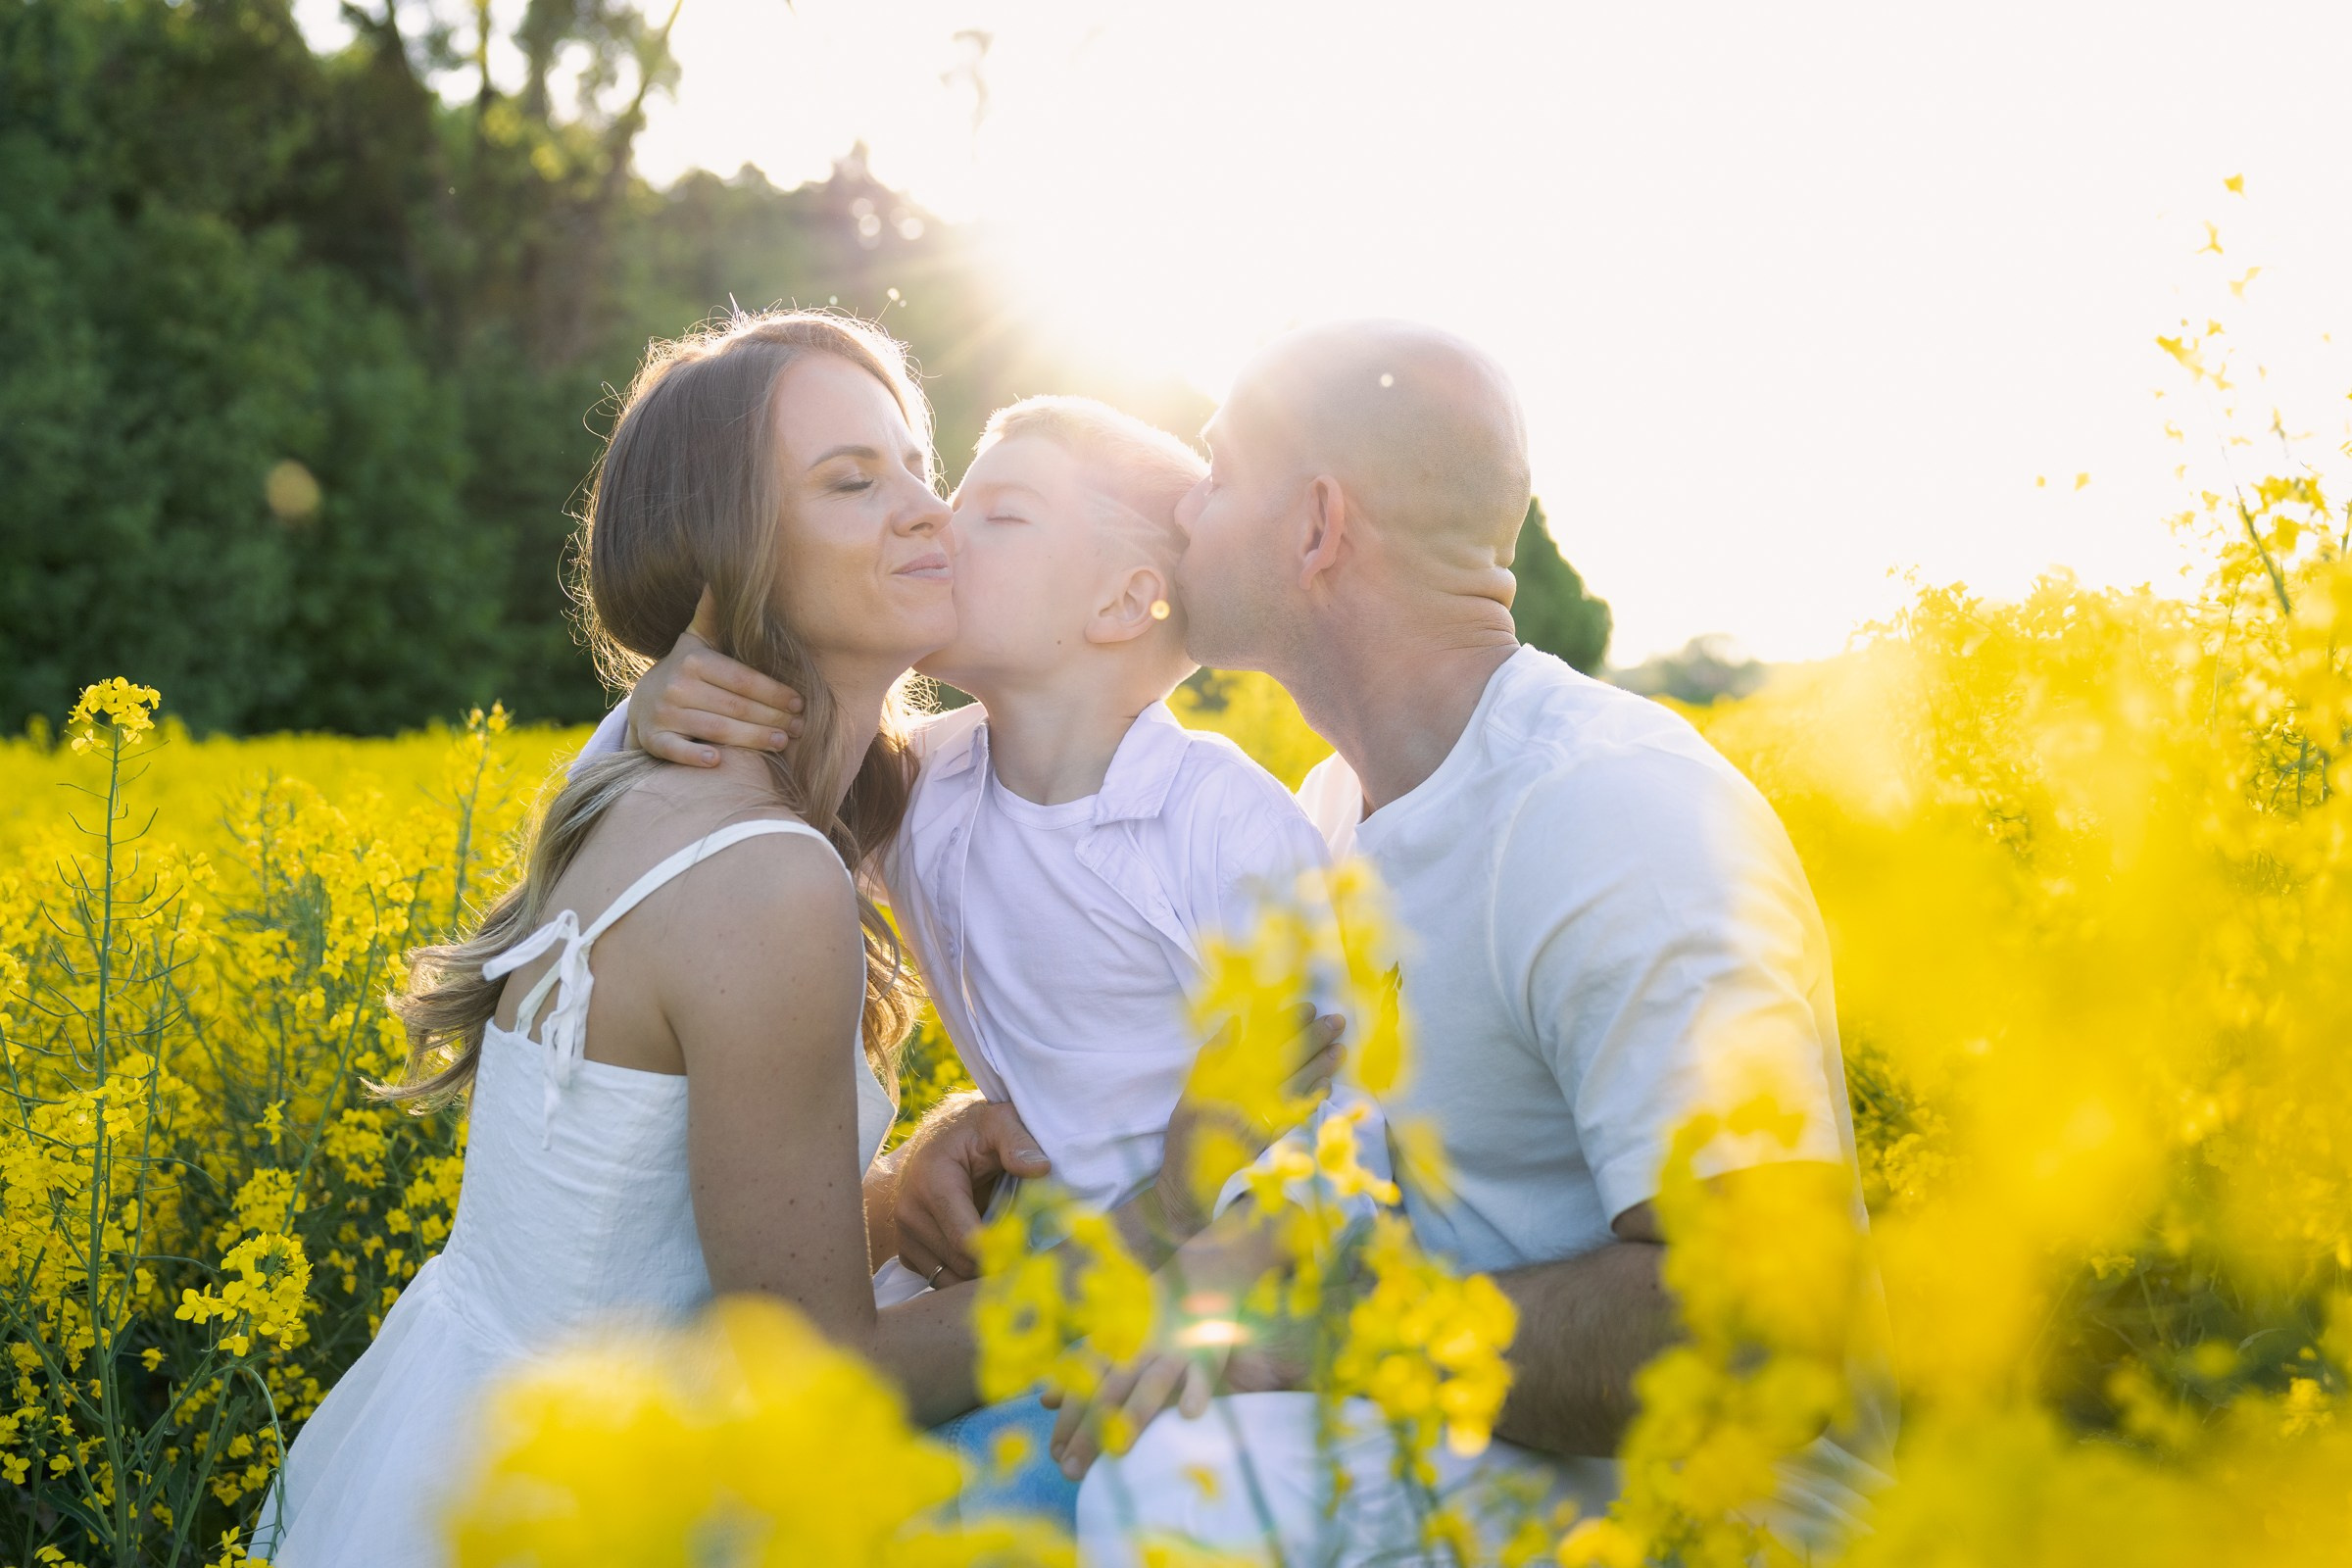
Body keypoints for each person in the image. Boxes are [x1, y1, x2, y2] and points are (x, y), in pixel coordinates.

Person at [646, 319, 1893, 1566]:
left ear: (1314, 527)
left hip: (1693, 1515)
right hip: (1447, 1449)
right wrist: (977, 1127)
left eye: (1220, 472)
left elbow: (1762, 1332)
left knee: (1128, 1492)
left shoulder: (1610, 813)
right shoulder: (1332, 814)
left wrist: (1300, 1322)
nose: (1184, 507)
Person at [259, 310, 988, 1566]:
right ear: (728, 552)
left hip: (462, 1439)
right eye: (853, 482)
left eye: (920, 465)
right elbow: (819, 1375)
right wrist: (1146, 1276)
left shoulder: (640, 772)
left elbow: (668, 1253)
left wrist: (908, 1173)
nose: (931, 508)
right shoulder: (760, 873)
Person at [592, 394, 1368, 1523]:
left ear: (1122, 601)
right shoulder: (924, 783)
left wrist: (1216, 1274)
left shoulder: (1222, 825)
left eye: (1001, 512)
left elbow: (1335, 1106)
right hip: (1004, 1257)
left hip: (1189, 1284)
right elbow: (713, 816)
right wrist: (653, 705)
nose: (943, 522)